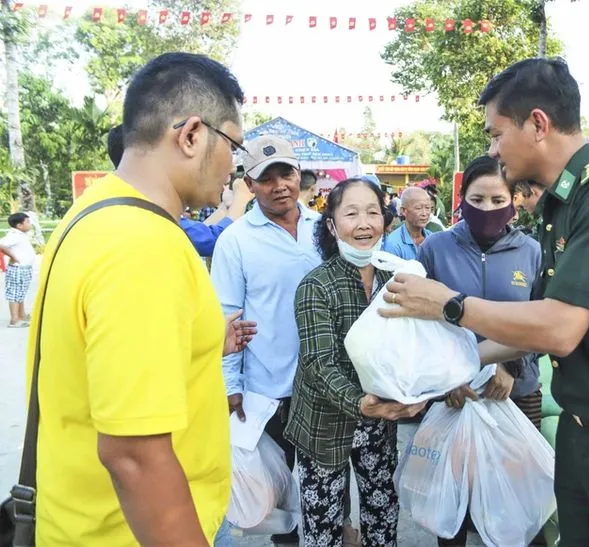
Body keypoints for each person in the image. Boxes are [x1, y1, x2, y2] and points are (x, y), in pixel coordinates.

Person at [378, 58, 589, 547]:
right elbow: (528, 328)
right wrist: (436, 374)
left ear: (537, 123)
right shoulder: (563, 205)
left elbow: (558, 328)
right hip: (587, 433)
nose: (492, 150)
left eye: (495, 134)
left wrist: (448, 304)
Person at [26, 52, 257, 546]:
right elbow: (134, 455)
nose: (234, 170)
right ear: (192, 135)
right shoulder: (143, 244)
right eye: (234, 145)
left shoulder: (91, 215)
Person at [284, 178, 425, 547]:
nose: (364, 223)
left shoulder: (396, 281)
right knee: (322, 526)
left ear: (385, 219)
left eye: (372, 212)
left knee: (382, 515)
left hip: (379, 425)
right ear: (332, 225)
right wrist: (361, 403)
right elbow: (318, 363)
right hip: (324, 426)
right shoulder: (316, 285)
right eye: (351, 213)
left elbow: (409, 345)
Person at [417, 155, 543, 546]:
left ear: (514, 200)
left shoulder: (534, 252)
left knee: (515, 501)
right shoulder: (435, 249)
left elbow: (545, 321)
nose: (487, 209)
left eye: (496, 199)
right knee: (453, 504)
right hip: (455, 397)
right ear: (461, 199)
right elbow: (419, 327)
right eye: (477, 200)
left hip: (516, 396)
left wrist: (513, 366)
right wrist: (445, 381)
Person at [211, 135, 321, 544]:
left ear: (299, 176)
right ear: (250, 184)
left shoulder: (324, 229)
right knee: (278, 491)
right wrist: (232, 385)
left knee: (325, 485)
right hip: (267, 391)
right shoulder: (235, 240)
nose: (279, 186)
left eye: (286, 174)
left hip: (324, 385)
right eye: (266, 177)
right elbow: (228, 319)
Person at [107, 124, 253, 257]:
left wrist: (224, 207)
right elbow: (218, 240)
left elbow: (198, 232)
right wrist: (241, 198)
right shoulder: (148, 212)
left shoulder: (125, 203)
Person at [0, 212, 35, 327]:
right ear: (19, 225)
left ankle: (22, 315)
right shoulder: (14, 235)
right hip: (18, 269)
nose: (30, 224)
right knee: (15, 294)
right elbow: (1, 244)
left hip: (24, 268)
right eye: (27, 222)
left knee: (20, 293)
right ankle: (15, 319)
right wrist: (13, 256)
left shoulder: (20, 235)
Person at [383, 186, 432, 260]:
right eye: (418, 208)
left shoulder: (432, 238)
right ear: (403, 211)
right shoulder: (393, 244)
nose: (424, 213)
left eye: (428, 208)